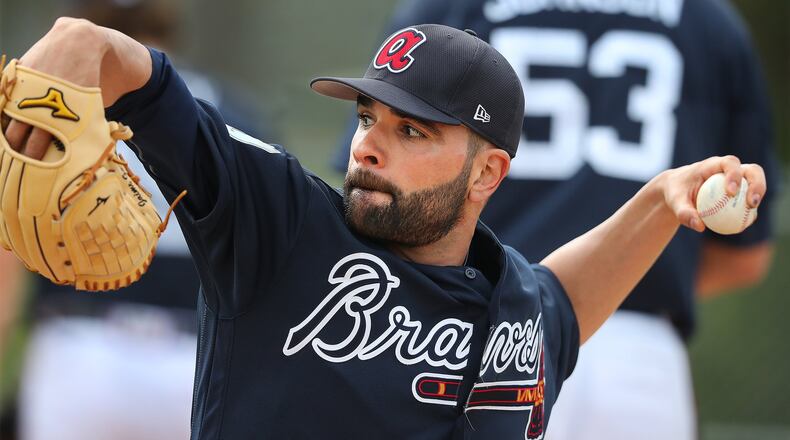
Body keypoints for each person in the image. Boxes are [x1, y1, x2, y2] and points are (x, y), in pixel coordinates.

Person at [1, 18, 767, 439]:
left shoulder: (519, 312)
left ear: (488, 175)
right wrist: (86, 44)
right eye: (369, 115)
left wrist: (664, 199)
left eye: (414, 131)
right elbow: (150, 87)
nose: (368, 142)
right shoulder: (283, 224)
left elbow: (568, 298)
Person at [332, 1, 780, 438]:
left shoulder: (452, 8)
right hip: (640, 360)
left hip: (475, 341)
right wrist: (620, 274)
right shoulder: (708, 19)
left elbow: (376, 204)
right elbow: (746, 258)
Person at [0, 1, 273, 439]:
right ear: (170, 20)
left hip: (78, 350)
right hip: (192, 363)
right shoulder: (230, 113)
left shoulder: (44, 105)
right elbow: (267, 255)